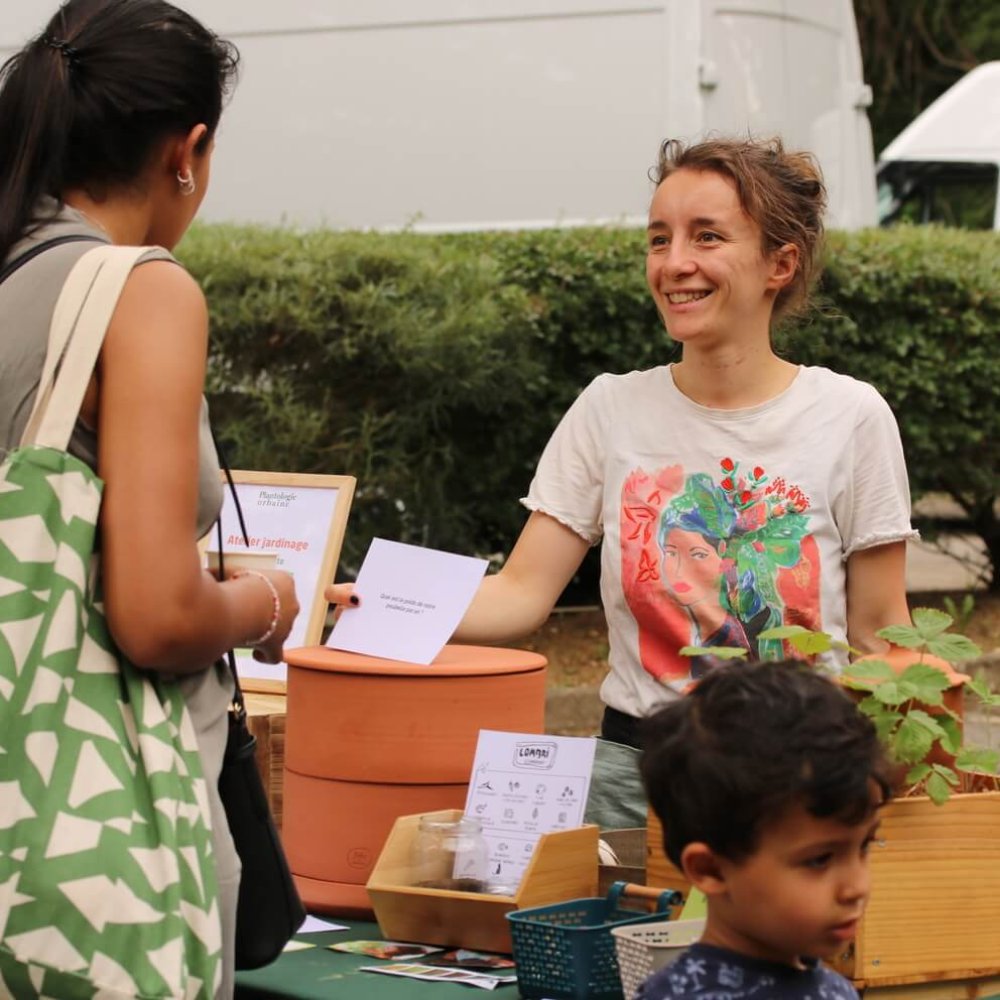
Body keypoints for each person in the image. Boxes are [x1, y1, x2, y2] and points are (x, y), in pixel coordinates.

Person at [330, 135, 916, 750]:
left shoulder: (850, 416)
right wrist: (382, 603)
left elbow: (881, 633)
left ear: (781, 264)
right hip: (637, 766)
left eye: (707, 236)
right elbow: (521, 592)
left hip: (798, 769)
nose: (673, 263)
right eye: (659, 238)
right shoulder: (611, 409)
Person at [0, 1, 300, 994]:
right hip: (92, 829)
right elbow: (155, 613)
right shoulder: (137, 290)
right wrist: (262, 603)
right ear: (189, 149)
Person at [637, 659, 891, 999]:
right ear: (711, 869)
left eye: (864, 846)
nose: (856, 887)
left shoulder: (832, 990)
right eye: (820, 860)